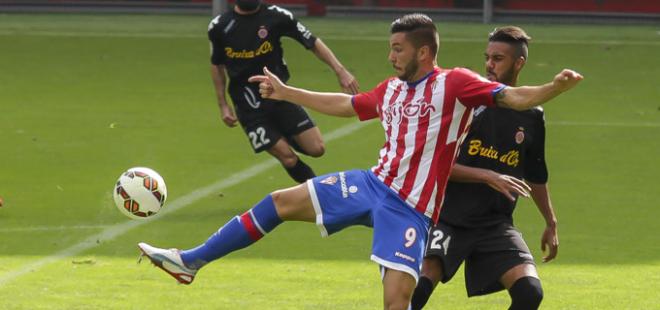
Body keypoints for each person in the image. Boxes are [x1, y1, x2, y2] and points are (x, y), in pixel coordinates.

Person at [138, 14, 581, 309]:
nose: (391, 57)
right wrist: (290, 93)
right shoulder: (390, 89)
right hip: (371, 184)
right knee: (278, 202)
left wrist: (553, 89)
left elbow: (514, 97)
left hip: (409, 209)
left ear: (424, 52)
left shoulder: (456, 85)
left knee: (396, 302)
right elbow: (347, 105)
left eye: (398, 49)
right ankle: (189, 261)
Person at [410, 26, 558, 310]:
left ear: (519, 63)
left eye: (498, 58)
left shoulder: (532, 115)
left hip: (493, 224)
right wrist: (487, 176)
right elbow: (434, 164)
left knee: (530, 292)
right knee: (420, 284)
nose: (489, 64)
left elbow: (536, 173)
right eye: (487, 57)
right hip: (446, 217)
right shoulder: (466, 103)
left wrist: (551, 222)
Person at [208, 0, 359, 183]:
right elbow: (217, 65)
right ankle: (316, 195)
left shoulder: (277, 16)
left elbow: (312, 42)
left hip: (279, 94)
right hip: (248, 104)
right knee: (287, 157)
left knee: (317, 148)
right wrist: (223, 104)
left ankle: (282, 133)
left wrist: (340, 71)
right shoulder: (219, 27)